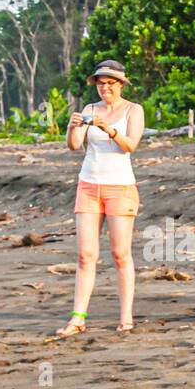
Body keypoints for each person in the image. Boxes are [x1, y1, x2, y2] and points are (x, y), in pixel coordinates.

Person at [59, 60, 145, 336]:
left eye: (110, 82)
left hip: (120, 187)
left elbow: (130, 145)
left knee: (120, 254)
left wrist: (108, 129)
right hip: (89, 184)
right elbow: (74, 147)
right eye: (100, 82)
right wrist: (74, 127)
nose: (105, 87)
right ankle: (78, 317)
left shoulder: (133, 110)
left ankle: (126, 317)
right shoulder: (89, 109)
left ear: (121, 84)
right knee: (86, 255)